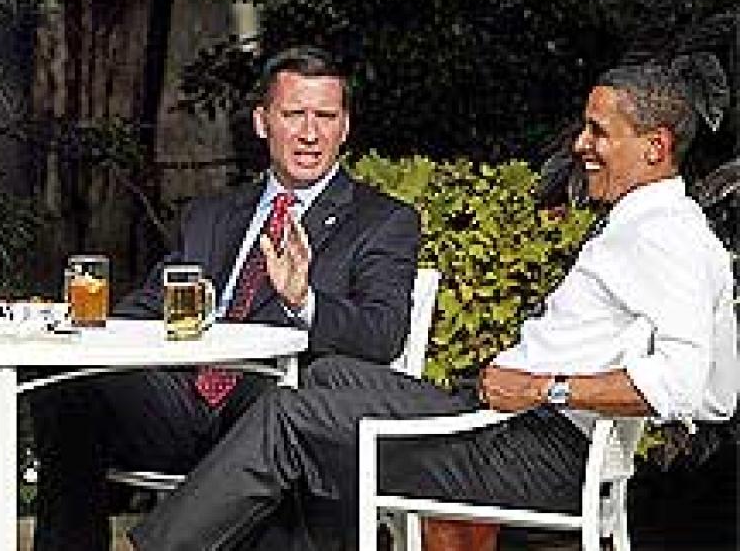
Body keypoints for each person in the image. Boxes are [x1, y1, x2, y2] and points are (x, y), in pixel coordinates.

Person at [126, 58, 738, 550]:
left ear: (655, 146)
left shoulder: (665, 236)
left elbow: (687, 387)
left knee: (290, 416)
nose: (581, 145)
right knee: (324, 374)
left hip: (533, 448)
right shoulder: (658, 225)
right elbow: (722, 390)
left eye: (598, 131)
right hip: (503, 422)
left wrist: (546, 390)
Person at [31, 46, 423, 550]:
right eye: (294, 115)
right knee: (67, 384)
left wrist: (304, 301)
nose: (310, 134)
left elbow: (382, 334)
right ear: (262, 122)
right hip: (183, 400)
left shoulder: (382, 220)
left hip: (271, 412)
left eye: (325, 117)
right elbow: (151, 304)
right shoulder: (212, 214)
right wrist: (76, 326)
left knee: (268, 398)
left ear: (344, 127)